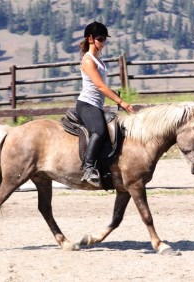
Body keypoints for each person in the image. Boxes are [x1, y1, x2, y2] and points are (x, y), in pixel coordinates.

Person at [76, 21, 135, 187]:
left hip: (96, 105)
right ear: (90, 39)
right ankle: (88, 168)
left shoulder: (98, 59)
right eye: (100, 39)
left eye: (104, 39)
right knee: (100, 131)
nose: (103, 43)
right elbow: (100, 86)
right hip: (86, 104)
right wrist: (121, 101)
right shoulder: (88, 61)